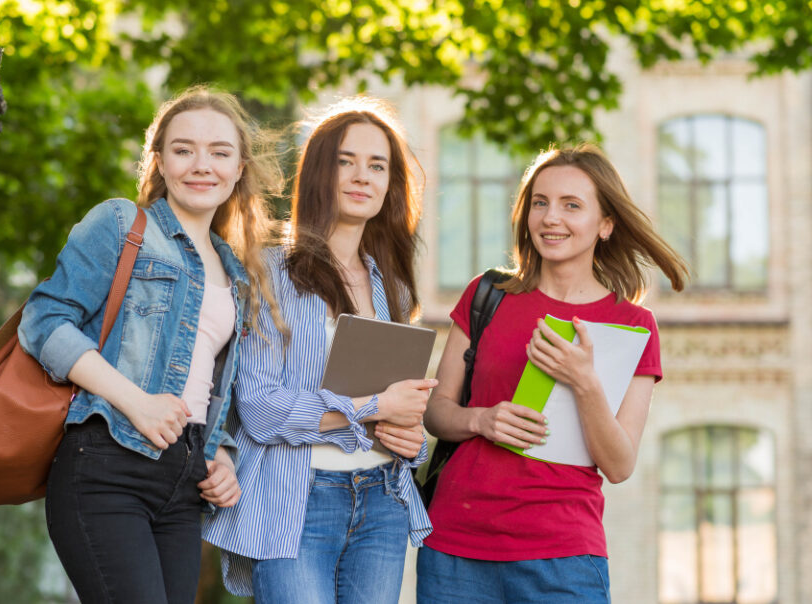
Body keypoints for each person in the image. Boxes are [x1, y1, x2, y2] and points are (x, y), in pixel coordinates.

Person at [17, 86, 283, 603]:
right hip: (106, 466)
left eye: (219, 152)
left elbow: (208, 385)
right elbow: (43, 321)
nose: (201, 165)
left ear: (239, 168)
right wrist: (135, 402)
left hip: (183, 484)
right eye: (184, 150)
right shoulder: (122, 224)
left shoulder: (235, 270)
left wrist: (222, 456)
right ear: (159, 161)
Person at [417, 144, 689, 603]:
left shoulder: (632, 326)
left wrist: (584, 382)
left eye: (572, 206)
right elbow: (436, 412)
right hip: (456, 548)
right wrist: (480, 419)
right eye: (540, 203)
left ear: (605, 225)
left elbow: (619, 464)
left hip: (563, 557)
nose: (550, 218)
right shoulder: (487, 296)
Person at [203, 97, 434, 602]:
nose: (362, 176)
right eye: (346, 161)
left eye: (377, 166)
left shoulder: (390, 286)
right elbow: (261, 411)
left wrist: (406, 432)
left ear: (389, 185)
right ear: (319, 172)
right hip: (296, 502)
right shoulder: (269, 270)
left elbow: (400, 423)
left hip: (382, 505)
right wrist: (374, 408)